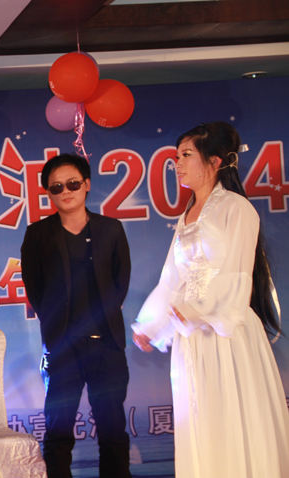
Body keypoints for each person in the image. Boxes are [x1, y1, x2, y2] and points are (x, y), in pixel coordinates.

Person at [132, 122, 289, 478]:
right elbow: (171, 280)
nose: (177, 164)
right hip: (192, 337)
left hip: (226, 331)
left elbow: (236, 275)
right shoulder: (186, 215)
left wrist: (194, 311)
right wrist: (151, 326)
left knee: (232, 418)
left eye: (186, 155)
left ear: (215, 161)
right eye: (176, 157)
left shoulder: (236, 208)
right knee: (200, 421)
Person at [21, 153, 132, 478]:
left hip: (107, 347)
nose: (65, 192)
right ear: (48, 193)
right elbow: (35, 290)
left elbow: (120, 281)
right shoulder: (37, 234)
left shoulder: (111, 229)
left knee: (112, 430)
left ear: (87, 185)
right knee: (58, 432)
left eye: (72, 184)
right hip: (63, 350)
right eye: (56, 187)